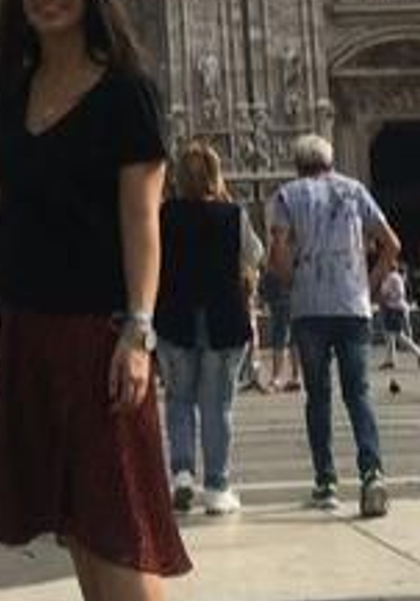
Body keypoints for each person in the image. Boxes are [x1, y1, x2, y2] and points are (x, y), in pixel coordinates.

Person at [0, 0, 189, 601]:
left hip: (99, 331)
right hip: (32, 326)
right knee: (80, 524)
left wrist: (139, 329)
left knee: (118, 520)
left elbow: (141, 221)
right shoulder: (13, 91)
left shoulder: (128, 94)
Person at [268, 133, 400, 518]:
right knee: (358, 393)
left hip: (309, 309)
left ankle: (325, 482)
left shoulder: (287, 195)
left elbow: (277, 254)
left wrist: (293, 279)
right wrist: (369, 284)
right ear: (330, 160)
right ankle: (372, 473)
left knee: (318, 396)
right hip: (351, 305)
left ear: (298, 163)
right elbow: (392, 244)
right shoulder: (354, 190)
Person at [155, 140, 263, 517]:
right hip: (222, 320)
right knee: (217, 405)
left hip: (175, 320)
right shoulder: (233, 214)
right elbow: (255, 255)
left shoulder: (165, 215)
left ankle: (182, 473)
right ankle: (217, 487)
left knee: (179, 399)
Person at [257, 264, 302, 392]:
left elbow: (269, 258)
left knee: (280, 331)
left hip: (280, 281)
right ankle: (295, 376)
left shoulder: (280, 245)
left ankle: (277, 377)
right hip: (290, 282)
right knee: (292, 332)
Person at [377, 264, 420, 371]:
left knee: (397, 335)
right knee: (390, 335)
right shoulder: (391, 277)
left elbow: (399, 293)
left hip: (395, 308)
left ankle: (419, 353)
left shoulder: (393, 277)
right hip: (392, 308)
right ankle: (391, 360)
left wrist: (387, 297)